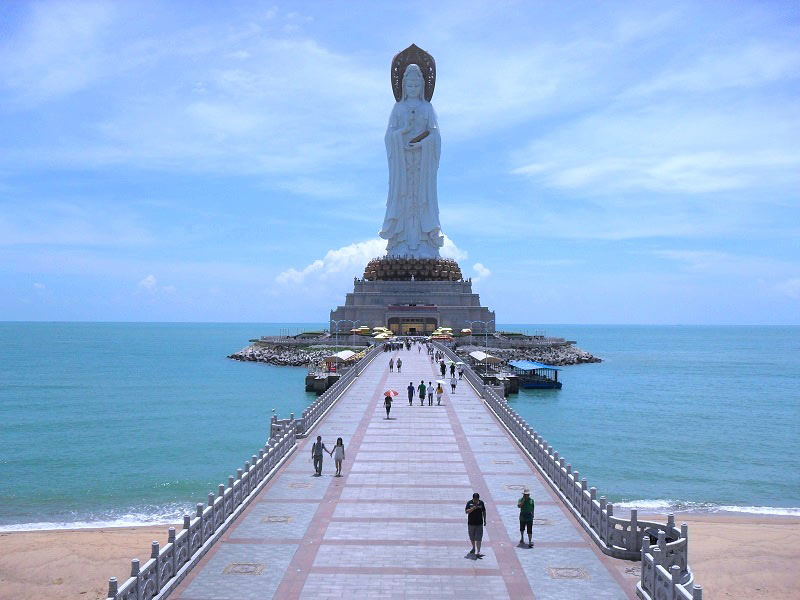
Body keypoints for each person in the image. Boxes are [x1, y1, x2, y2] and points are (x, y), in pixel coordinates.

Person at [465, 492, 487, 558]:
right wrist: (473, 508)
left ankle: (478, 551)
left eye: (477, 499)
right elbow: (466, 512)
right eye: (475, 499)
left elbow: (484, 511)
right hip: (471, 523)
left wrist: (485, 520)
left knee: (479, 538)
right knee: (472, 537)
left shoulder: (481, 503)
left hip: (479, 523)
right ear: (473, 498)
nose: (476, 500)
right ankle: (473, 548)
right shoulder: (469, 503)